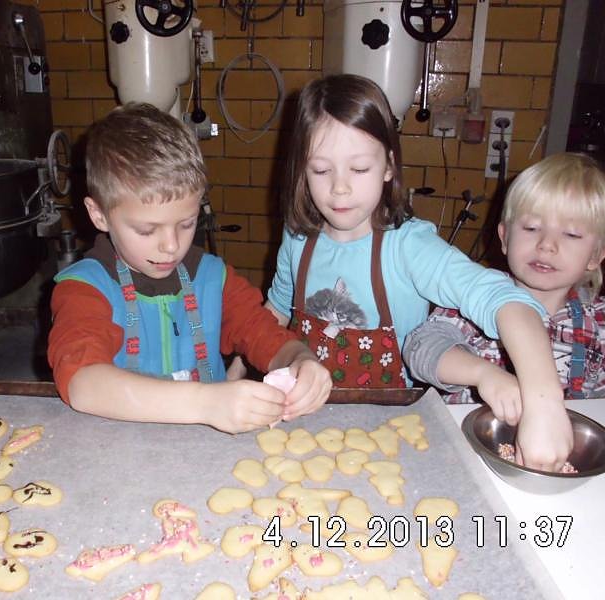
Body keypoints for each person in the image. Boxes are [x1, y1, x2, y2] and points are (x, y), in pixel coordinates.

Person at [264, 74, 571, 471]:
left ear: (388, 166)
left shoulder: (408, 248)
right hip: (303, 422)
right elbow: (272, 315)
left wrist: (545, 402)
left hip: (388, 434)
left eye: (358, 169)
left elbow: (504, 298)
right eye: (321, 171)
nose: (339, 189)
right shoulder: (297, 239)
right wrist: (237, 376)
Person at [47, 103, 331, 434]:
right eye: (146, 230)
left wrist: (301, 361)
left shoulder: (213, 278)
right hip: (120, 456)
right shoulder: (84, 288)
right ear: (99, 216)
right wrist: (206, 403)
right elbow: (83, 384)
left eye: (186, 224)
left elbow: (266, 335)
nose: (171, 245)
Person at [404, 153, 605, 418]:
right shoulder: (476, 297)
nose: (547, 245)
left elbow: (592, 404)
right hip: (463, 441)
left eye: (571, 234)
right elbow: (419, 349)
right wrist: (483, 373)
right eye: (531, 228)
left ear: (597, 254)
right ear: (504, 237)